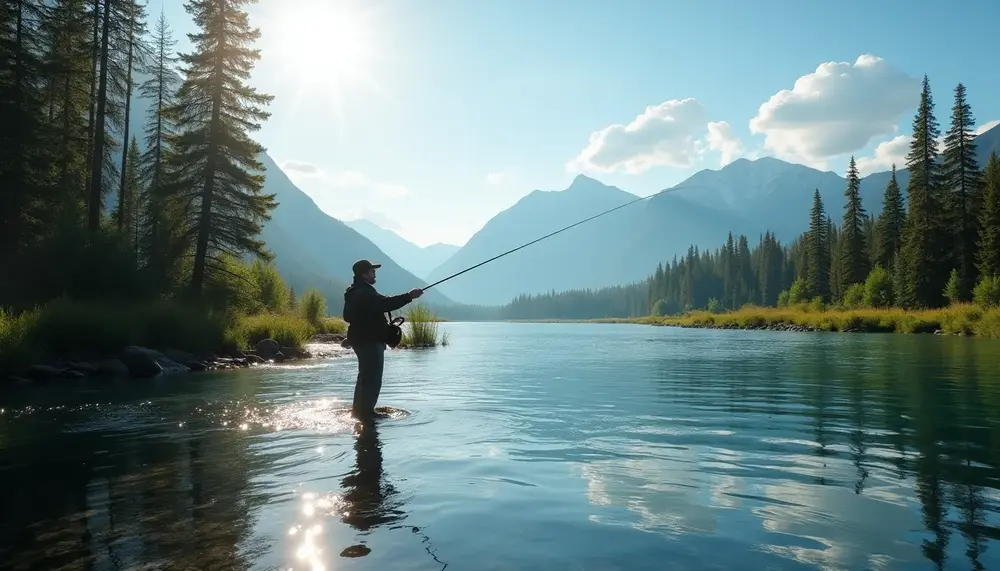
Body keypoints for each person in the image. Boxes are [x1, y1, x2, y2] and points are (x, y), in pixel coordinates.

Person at [342, 259, 422, 421]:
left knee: (364, 377)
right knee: (372, 378)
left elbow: (351, 315)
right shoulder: (364, 292)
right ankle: (365, 414)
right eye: (372, 271)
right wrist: (409, 296)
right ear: (363, 274)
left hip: (362, 340)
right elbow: (385, 303)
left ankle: (358, 411)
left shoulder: (355, 291)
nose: (374, 273)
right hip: (370, 342)